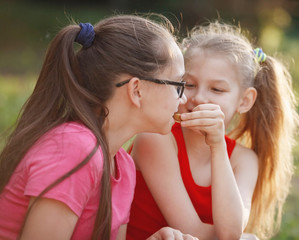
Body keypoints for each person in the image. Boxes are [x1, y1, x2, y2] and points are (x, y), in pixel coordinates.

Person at [0, 14, 199, 240]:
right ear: (136, 90)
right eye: (178, 85)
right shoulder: (75, 149)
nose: (183, 100)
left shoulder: (123, 166)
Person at [126, 21, 299, 240]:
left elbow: (229, 231)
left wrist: (217, 146)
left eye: (217, 89)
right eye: (188, 84)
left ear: (245, 100)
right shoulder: (155, 138)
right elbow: (200, 231)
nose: (198, 97)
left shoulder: (244, 160)